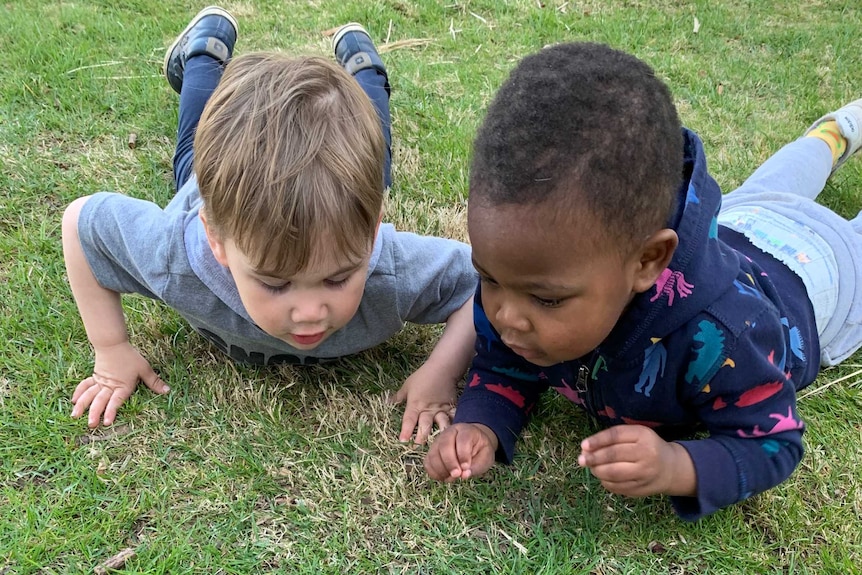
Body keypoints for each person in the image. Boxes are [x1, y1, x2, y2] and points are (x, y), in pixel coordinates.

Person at [423, 41, 862, 521]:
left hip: (821, 275)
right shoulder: (528, 275)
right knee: (776, 181)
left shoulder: (727, 336)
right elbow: (503, 364)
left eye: (546, 299)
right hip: (744, 222)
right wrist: (480, 423)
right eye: (488, 278)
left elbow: (773, 442)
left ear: (648, 260)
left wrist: (678, 465)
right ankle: (831, 137)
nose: (505, 314)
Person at [61, 6, 478, 444]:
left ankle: (366, 71)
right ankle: (204, 51)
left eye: (338, 277)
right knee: (190, 147)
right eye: (276, 284)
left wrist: (441, 371)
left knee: (378, 159)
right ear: (216, 240)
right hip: (205, 186)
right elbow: (80, 224)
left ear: (372, 234)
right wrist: (111, 350)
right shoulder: (171, 253)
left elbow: (480, 284)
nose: (310, 312)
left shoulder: (393, 269)